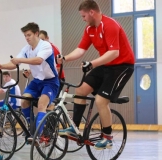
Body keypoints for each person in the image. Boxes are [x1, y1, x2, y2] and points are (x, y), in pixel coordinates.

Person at [58, 0, 135, 150]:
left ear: (91, 12)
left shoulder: (110, 25)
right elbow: (80, 50)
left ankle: (107, 137)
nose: (83, 19)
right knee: (80, 90)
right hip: (106, 65)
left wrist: (92, 63)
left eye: (84, 16)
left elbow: (114, 53)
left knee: (100, 100)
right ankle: (74, 128)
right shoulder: (89, 29)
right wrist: (65, 58)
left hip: (122, 66)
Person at [0, 22, 59, 141]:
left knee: (41, 104)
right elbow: (14, 63)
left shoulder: (45, 46)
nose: (27, 38)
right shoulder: (26, 49)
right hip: (37, 81)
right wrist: (1, 66)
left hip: (50, 82)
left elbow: (38, 60)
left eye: (29, 35)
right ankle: (31, 127)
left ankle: (38, 135)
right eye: (25, 36)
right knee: (24, 102)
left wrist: (19, 59)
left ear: (36, 33)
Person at [23, 30, 66, 99]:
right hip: (43, 79)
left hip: (56, 79)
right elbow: (40, 65)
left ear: (47, 38)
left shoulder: (52, 49)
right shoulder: (39, 49)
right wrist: (30, 71)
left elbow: (57, 68)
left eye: (42, 39)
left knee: (50, 102)